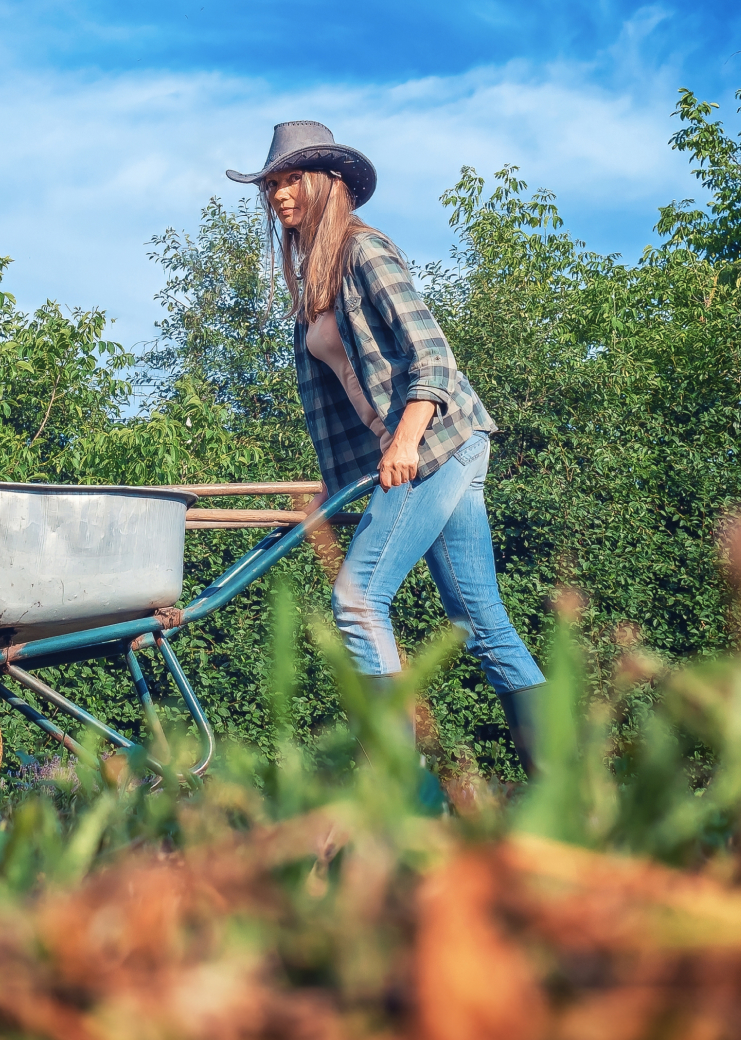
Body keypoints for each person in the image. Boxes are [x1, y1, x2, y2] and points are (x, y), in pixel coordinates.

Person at [226, 121, 545, 771]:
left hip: (435, 443)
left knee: (357, 599)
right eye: (272, 185)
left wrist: (404, 439)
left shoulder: (363, 252)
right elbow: (343, 396)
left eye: (291, 181)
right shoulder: (312, 284)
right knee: (479, 622)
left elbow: (432, 355)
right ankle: (565, 786)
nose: (279, 195)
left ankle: (406, 795)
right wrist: (336, 480)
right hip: (414, 454)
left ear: (325, 184)